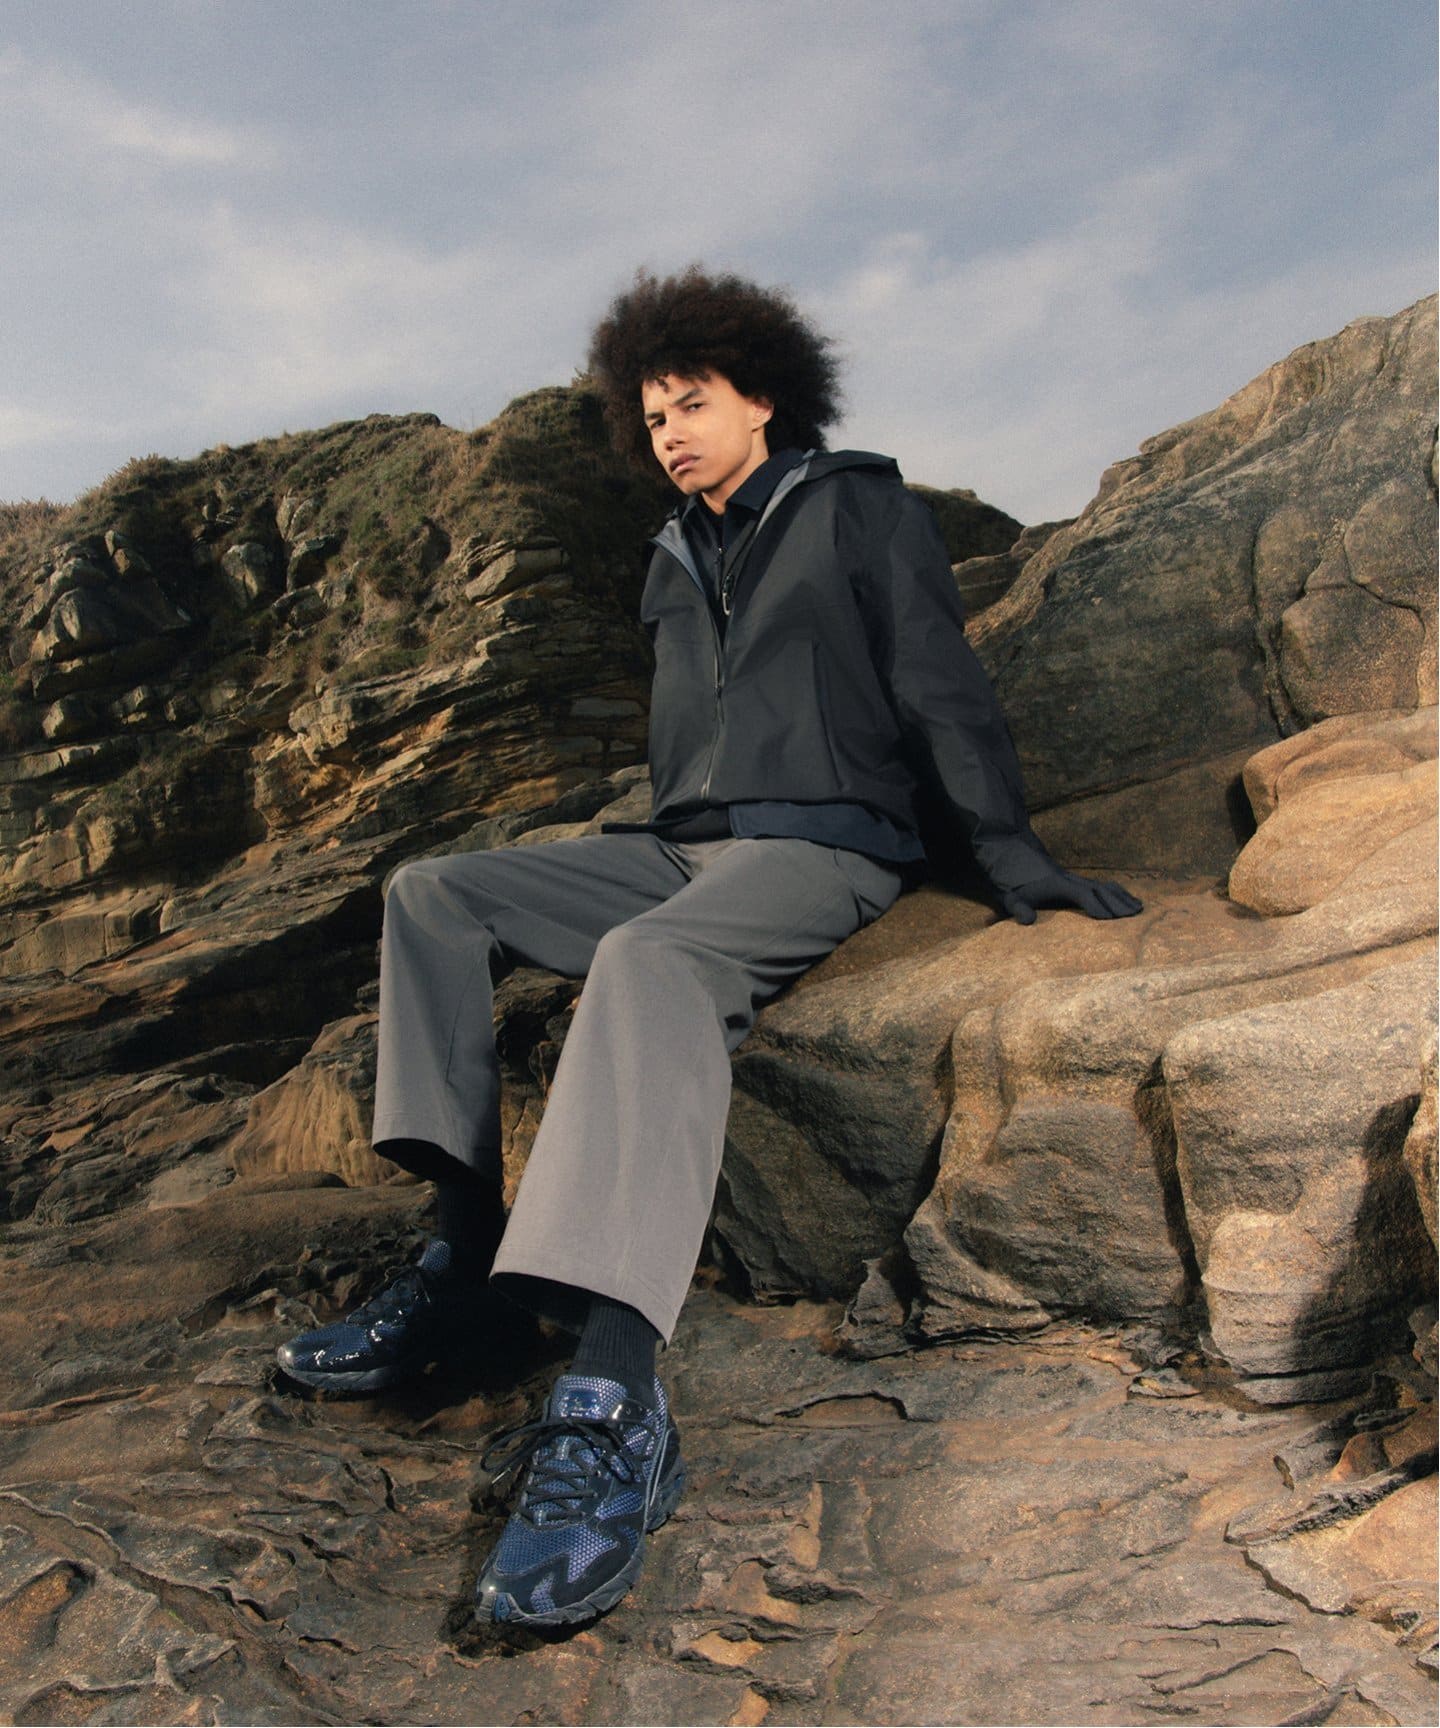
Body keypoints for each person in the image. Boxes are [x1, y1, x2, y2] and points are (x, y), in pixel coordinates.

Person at [274, 266, 1142, 1629]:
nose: (670, 431)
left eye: (691, 403)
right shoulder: (673, 550)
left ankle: (616, 1389)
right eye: (652, 416)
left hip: (823, 843)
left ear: (762, 397)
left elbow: (940, 685)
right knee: (432, 893)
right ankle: (466, 1262)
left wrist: (1009, 856)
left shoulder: (860, 508)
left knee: (651, 964)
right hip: (682, 843)